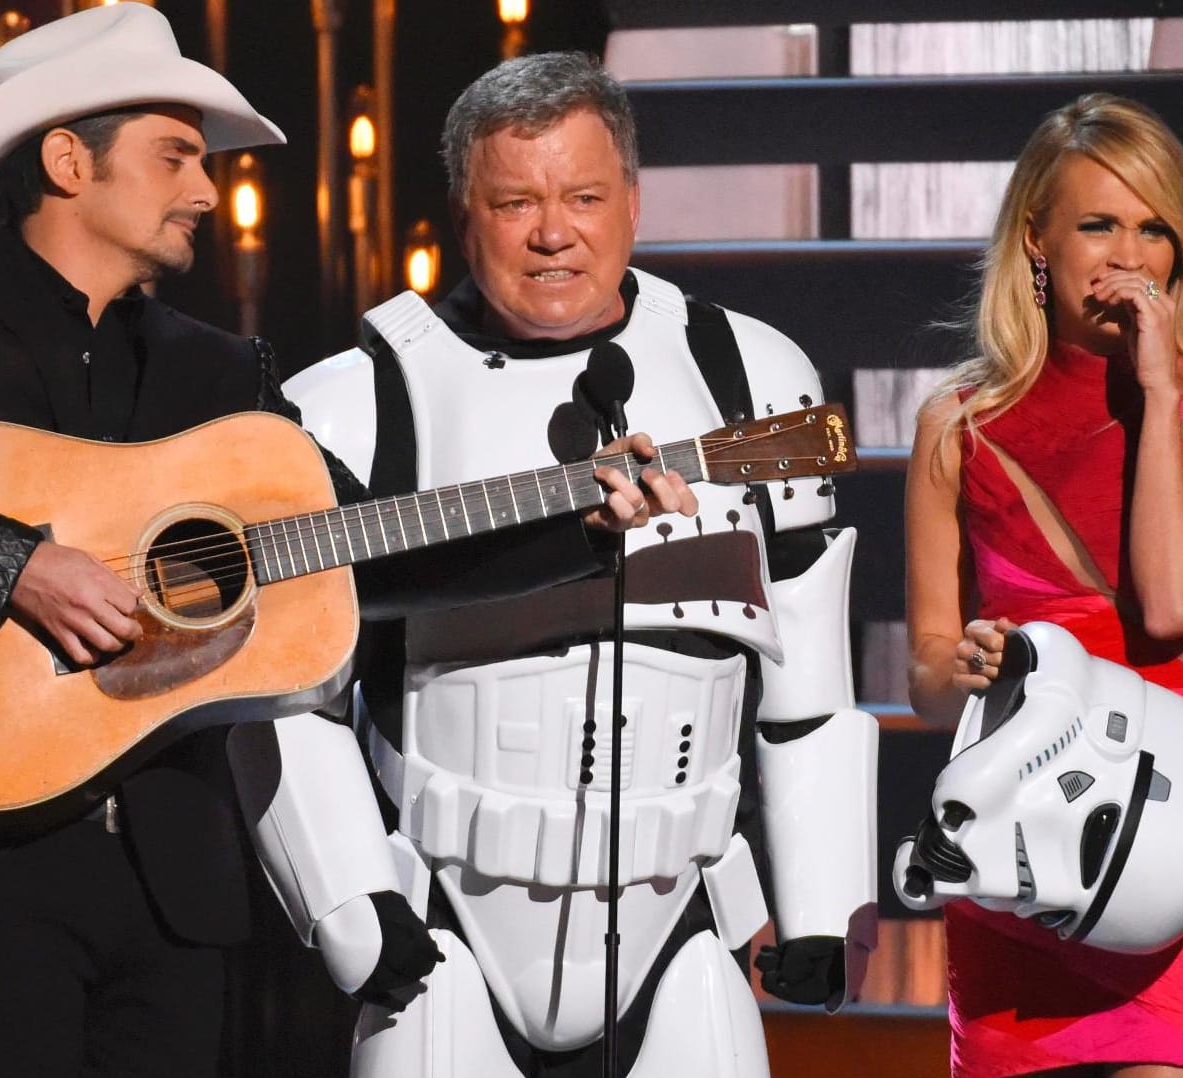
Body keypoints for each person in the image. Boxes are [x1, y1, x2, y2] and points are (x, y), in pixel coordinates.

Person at [0, 8, 688, 1076]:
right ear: (69, 158)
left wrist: (576, 521)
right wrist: (12, 565)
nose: (207, 190)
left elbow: (367, 551)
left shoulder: (225, 375)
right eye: (176, 156)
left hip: (170, 882)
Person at [234, 51, 879, 1078]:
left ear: (631, 198)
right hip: (442, 925)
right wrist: (350, 902)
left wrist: (822, 903)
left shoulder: (748, 373)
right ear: (463, 212)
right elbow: (282, 687)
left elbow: (806, 682)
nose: (553, 232)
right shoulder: (356, 399)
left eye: (583, 195)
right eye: (515, 201)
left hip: (678, 922)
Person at [905, 93, 1183, 1077]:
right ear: (1036, 238)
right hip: (1024, 848)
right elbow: (928, 679)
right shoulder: (956, 423)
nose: (1129, 254)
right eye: (1098, 224)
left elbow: (1168, 604)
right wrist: (975, 674)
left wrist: (1159, 393)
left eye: (1153, 227)